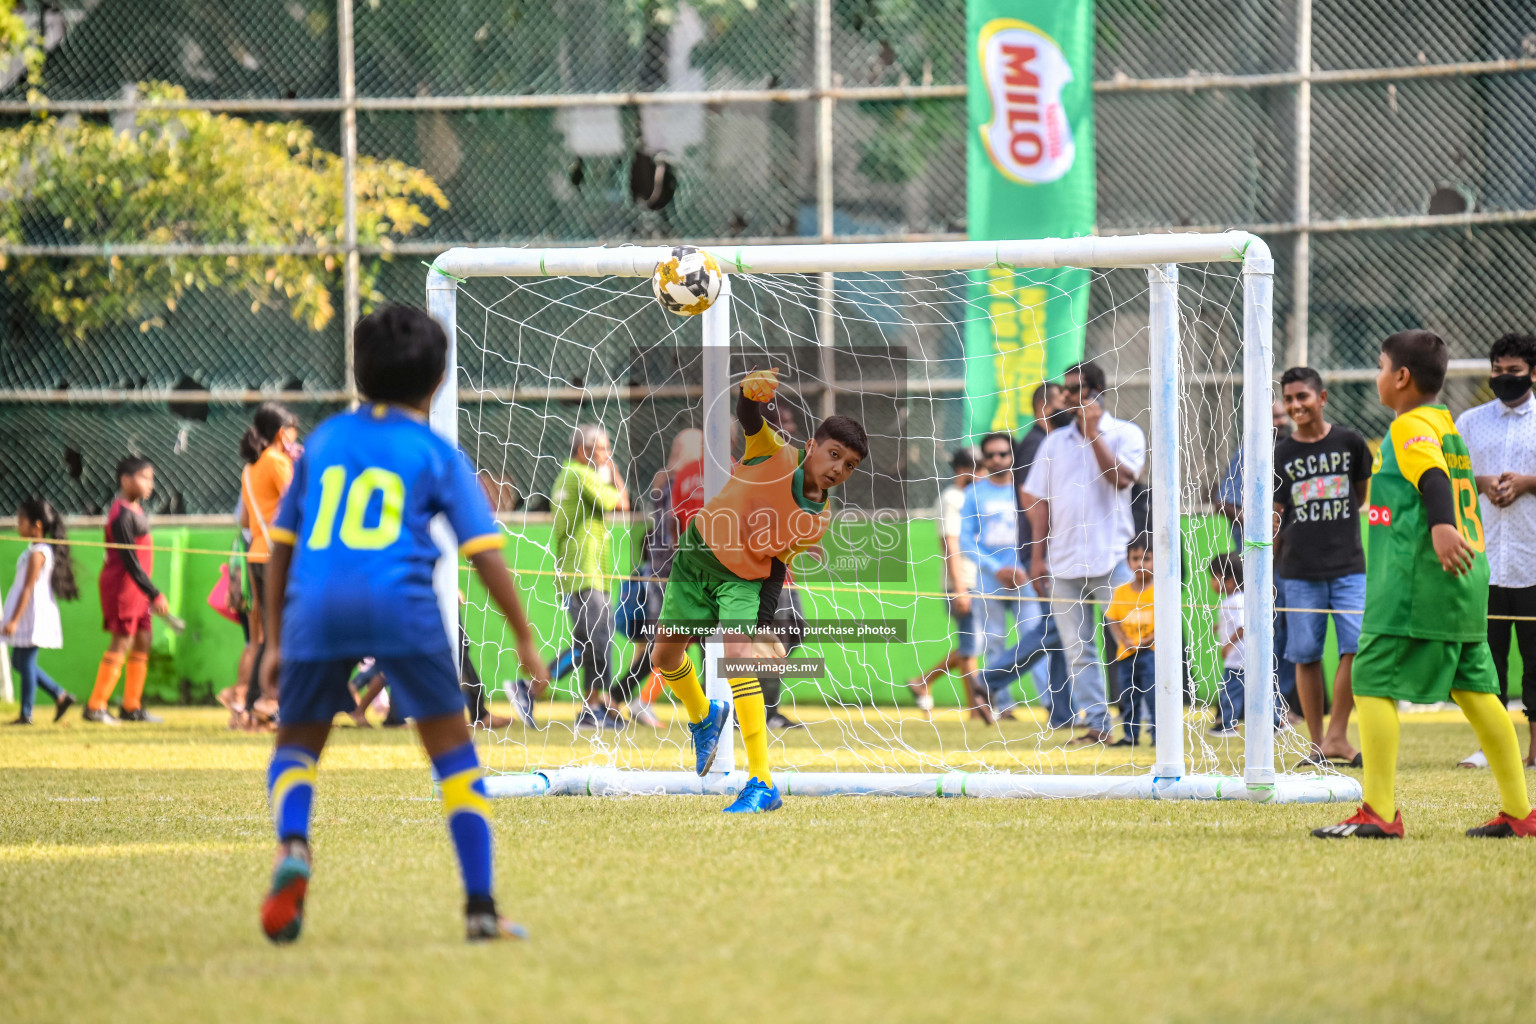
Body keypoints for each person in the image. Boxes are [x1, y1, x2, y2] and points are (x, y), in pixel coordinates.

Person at [256, 303, 551, 942]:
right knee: (453, 754)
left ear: (359, 372)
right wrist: (525, 638)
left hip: (318, 603)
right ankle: (479, 908)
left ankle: (294, 848)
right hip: (402, 602)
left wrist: (276, 640)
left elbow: (281, 544)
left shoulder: (327, 438)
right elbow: (484, 552)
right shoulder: (433, 451)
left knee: (297, 748)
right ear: (438, 380)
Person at [1313, 329, 1535, 839]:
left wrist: (1439, 529)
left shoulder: (1409, 426)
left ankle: (1379, 812)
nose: (1376, 376)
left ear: (1401, 377)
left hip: (1420, 582)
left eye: (1379, 366)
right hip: (1466, 578)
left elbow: (1432, 479)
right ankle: (1521, 813)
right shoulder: (1446, 424)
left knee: (1370, 678)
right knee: (1478, 689)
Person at [650, 366, 866, 813]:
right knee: (664, 658)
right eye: (833, 454)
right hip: (696, 556)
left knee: (738, 660)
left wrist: (762, 627)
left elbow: (774, 570)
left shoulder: (816, 521)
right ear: (811, 447)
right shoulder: (775, 452)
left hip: (743, 582)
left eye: (849, 465)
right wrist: (750, 394)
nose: (837, 468)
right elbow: (749, 416)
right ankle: (704, 715)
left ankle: (762, 781)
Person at [1022, 361, 1147, 746]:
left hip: (1113, 558)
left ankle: (1144, 726)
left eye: (1074, 388)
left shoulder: (1126, 432)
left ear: (1095, 392)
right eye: (1065, 388)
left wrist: (1094, 435)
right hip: (1062, 561)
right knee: (1078, 650)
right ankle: (1097, 726)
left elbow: (1122, 479)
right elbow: (1036, 499)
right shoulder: (1053, 442)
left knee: (1133, 641)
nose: (1065, 395)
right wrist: (1037, 556)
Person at [1273, 367, 1371, 766]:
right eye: (1290, 399)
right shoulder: (1280, 453)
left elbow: (1360, 494)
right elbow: (1277, 514)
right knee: (1305, 654)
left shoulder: (1349, 441)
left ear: (1322, 398)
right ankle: (1317, 745)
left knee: (1355, 647)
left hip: (1348, 565)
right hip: (1298, 571)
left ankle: (1337, 737)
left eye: (1303, 397)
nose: (1296, 405)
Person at [1455, 331, 1536, 768]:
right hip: (1482, 559)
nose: (1504, 379)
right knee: (1488, 658)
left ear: (1533, 374)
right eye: (1498, 371)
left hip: (1532, 558)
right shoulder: (1469, 422)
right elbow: (1451, 478)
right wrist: (1483, 483)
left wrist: (1527, 483)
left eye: (1514, 372)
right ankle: (1491, 746)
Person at [1215, 400, 1298, 717]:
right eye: (1272, 416)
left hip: (1297, 563)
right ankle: (1250, 706)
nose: (1279, 420)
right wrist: (1259, 522)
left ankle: (1280, 704)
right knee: (1262, 633)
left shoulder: (1299, 452)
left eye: (1282, 415)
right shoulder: (1249, 455)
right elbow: (1223, 502)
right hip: (1260, 565)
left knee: (1290, 634)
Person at [551, 424, 630, 731]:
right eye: (603, 449)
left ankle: (587, 704)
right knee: (598, 641)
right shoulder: (582, 475)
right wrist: (613, 470)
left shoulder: (565, 474)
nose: (607, 454)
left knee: (586, 644)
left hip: (579, 570)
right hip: (586, 571)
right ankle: (597, 704)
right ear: (585, 450)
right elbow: (622, 502)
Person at [84, 456, 169, 724]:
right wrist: (154, 592)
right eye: (145, 478)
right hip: (123, 588)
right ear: (125, 479)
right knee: (122, 641)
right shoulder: (120, 514)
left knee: (143, 639)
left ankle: (132, 707)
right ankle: (95, 706)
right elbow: (129, 561)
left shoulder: (136, 510)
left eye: (151, 478)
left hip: (138, 590)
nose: (150, 485)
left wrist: (148, 592)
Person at [905, 447, 986, 722]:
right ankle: (976, 709)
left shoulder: (974, 497)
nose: (985, 474)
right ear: (964, 470)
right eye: (981, 468)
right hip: (962, 580)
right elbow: (950, 543)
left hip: (979, 577)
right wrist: (959, 587)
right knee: (970, 645)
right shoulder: (952, 498)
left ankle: (923, 681)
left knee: (971, 644)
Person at [961, 433, 1037, 720]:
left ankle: (1052, 705)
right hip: (990, 579)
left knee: (1034, 637)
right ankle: (1003, 705)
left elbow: (1037, 531)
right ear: (984, 458)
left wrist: (1022, 568)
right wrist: (996, 568)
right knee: (993, 640)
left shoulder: (1026, 490)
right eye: (991, 455)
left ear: (1012, 456)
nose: (997, 459)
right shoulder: (973, 493)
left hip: (1025, 576)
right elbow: (966, 540)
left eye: (1003, 454)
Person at [238, 401, 301, 729]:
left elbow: (247, 520)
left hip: (257, 555)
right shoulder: (278, 461)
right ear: (281, 433)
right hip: (280, 557)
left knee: (266, 634)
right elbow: (299, 503)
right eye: (293, 430)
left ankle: (249, 706)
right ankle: (271, 701)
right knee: (288, 631)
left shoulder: (250, 469)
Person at [2, 499, 79, 724]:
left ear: (37, 525)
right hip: (27, 613)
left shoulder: (39, 552)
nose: (18, 526)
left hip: (32, 615)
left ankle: (26, 713)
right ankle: (60, 695)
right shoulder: (33, 550)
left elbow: (28, 588)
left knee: (24, 663)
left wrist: (14, 620)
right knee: (19, 661)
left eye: (21, 522)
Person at [1103, 536, 1155, 746]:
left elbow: (1166, 621)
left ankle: (1156, 736)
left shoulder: (1160, 590)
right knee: (1128, 696)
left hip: (1151, 653)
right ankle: (1129, 736)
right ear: (1128, 561)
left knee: (1153, 696)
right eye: (1135, 558)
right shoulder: (1122, 591)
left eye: (1147, 558)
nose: (1141, 564)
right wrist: (1124, 640)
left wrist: (1147, 640)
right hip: (1126, 654)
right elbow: (1112, 618)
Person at [1209, 553, 1245, 737]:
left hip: (1238, 658)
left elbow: (1242, 627)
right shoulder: (1235, 599)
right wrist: (1219, 626)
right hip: (1240, 658)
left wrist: (1228, 645)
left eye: (1213, 577)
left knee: (1230, 691)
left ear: (1226, 580)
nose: (1211, 583)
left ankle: (1229, 724)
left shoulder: (1235, 600)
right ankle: (1277, 721)